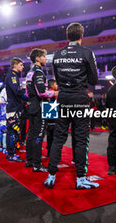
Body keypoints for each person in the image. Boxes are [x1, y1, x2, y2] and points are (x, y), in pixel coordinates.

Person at [44, 22, 99, 189]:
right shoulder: (87, 52)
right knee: (81, 138)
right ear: (82, 36)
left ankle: (51, 175)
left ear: (67, 36)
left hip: (63, 98)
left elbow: (56, 78)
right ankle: (81, 178)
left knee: (58, 138)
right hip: (79, 98)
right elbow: (94, 80)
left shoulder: (58, 54)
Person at [25, 49, 57, 171]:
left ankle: (29, 160)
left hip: (32, 105)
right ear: (37, 58)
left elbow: (27, 92)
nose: (46, 59)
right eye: (44, 56)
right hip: (38, 106)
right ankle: (37, 164)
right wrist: (54, 92)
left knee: (31, 134)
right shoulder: (38, 72)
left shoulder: (30, 72)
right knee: (38, 135)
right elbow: (42, 92)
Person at [5, 57, 27, 162]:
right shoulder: (12, 76)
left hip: (13, 106)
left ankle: (10, 153)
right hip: (13, 107)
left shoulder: (13, 76)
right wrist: (28, 95)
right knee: (12, 131)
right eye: (21, 65)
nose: (23, 67)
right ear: (15, 65)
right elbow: (17, 91)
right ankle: (11, 154)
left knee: (12, 131)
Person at [46, 79, 58, 158]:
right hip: (53, 117)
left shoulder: (46, 93)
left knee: (49, 136)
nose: (57, 86)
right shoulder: (54, 93)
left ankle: (49, 152)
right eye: (56, 84)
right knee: (54, 137)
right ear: (52, 85)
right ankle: (53, 153)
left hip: (47, 117)